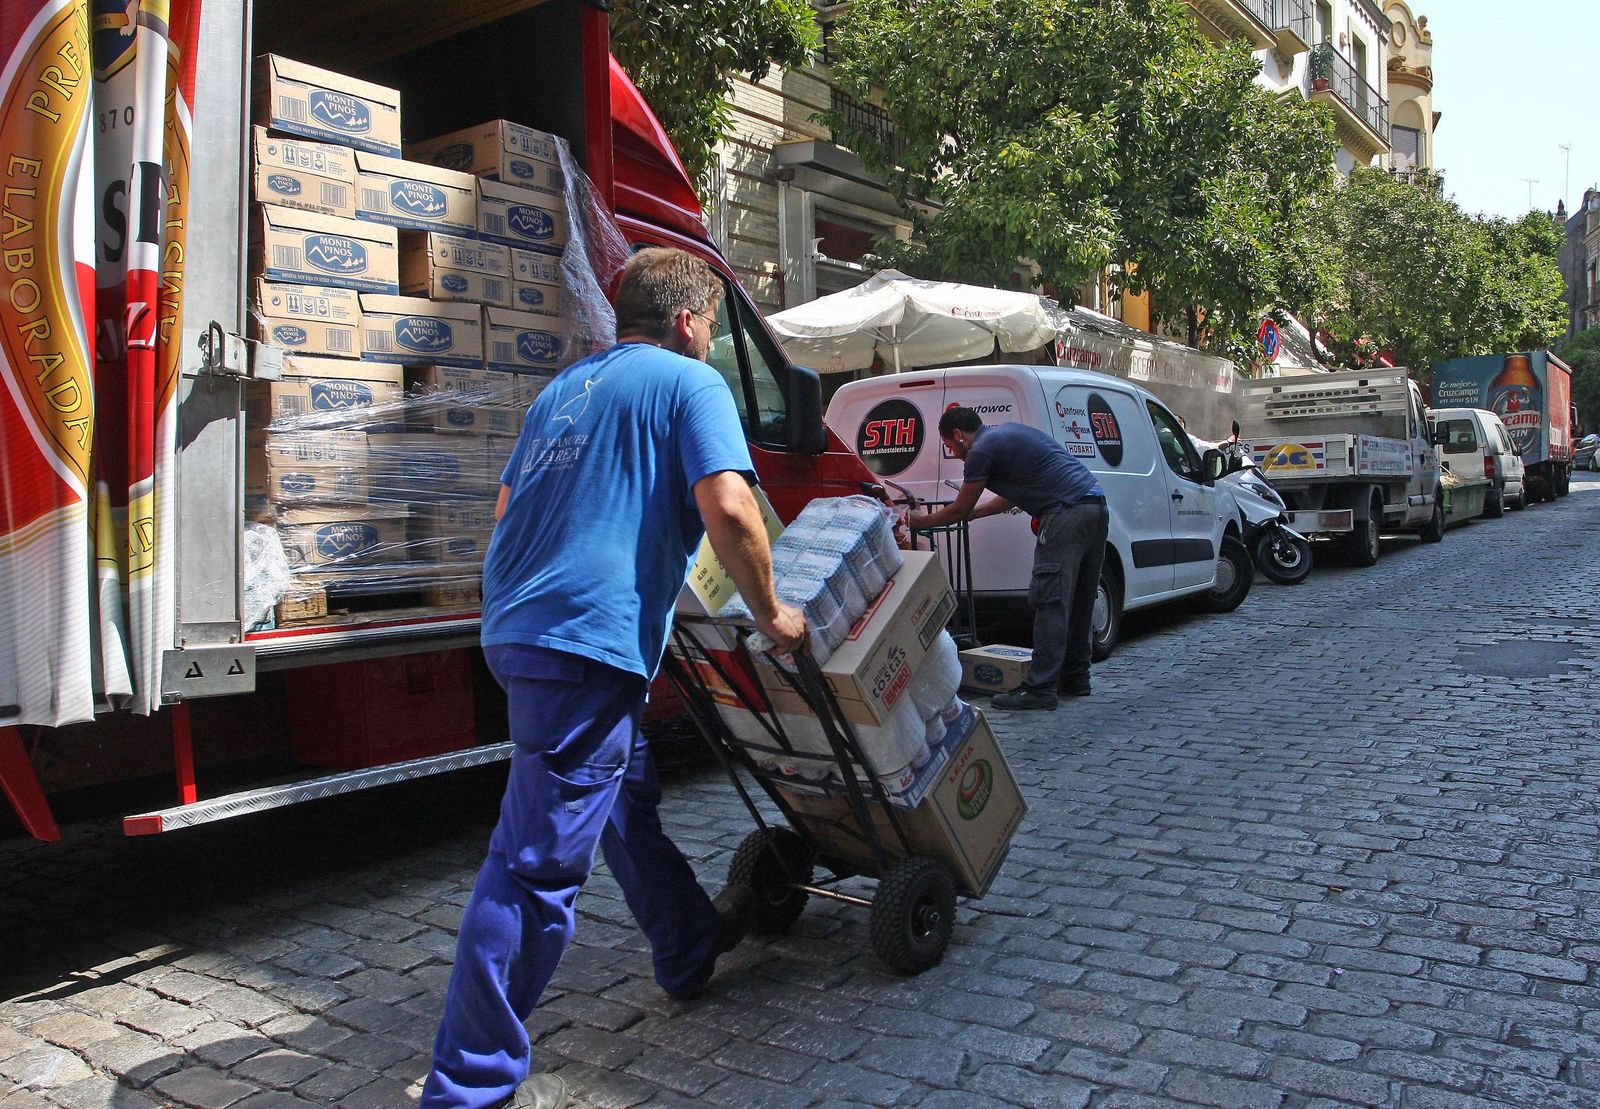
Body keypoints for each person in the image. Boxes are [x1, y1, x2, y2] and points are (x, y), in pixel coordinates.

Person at [421, 248, 807, 1109]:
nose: (708, 342)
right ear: (685, 322)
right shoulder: (687, 381)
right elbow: (733, 506)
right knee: (532, 866)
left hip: (521, 626)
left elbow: (509, 511)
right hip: (581, 644)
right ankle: (466, 1087)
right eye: (709, 326)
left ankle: (685, 941)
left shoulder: (565, 389)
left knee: (623, 798)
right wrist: (775, 615)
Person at [909, 407, 1108, 711]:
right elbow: (1014, 495)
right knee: (1080, 599)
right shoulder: (1007, 434)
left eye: (950, 446)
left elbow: (959, 509)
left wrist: (916, 522)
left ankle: (1040, 688)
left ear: (959, 435)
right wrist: (977, 513)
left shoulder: (981, 450)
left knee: (1050, 599)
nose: (954, 453)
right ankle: (1076, 676)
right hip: (1094, 507)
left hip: (1065, 514)